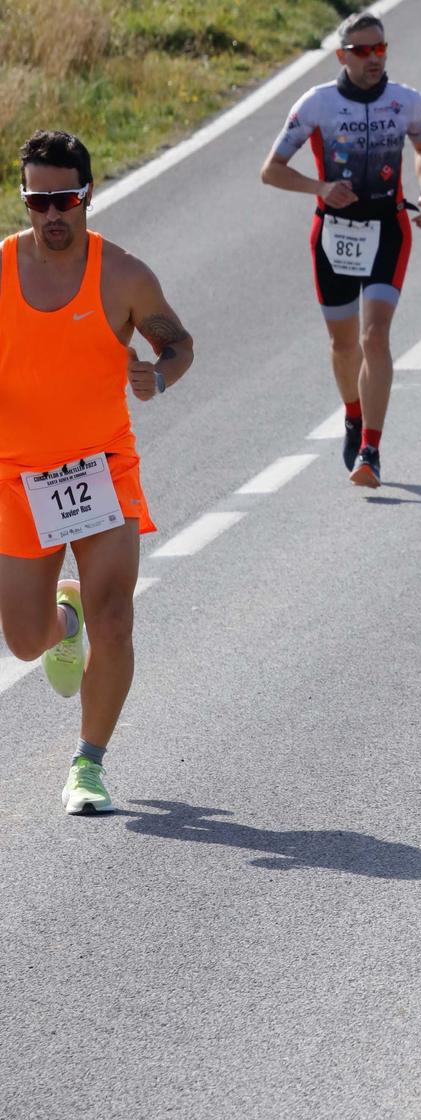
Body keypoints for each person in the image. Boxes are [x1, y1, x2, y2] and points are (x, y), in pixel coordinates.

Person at [0, 130, 194, 817]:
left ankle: (88, 764)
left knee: (117, 618)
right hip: (20, 479)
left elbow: (178, 343)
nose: (53, 214)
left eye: (66, 199)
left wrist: (159, 376)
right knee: (24, 640)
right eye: (38, 200)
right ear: (24, 200)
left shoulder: (124, 276)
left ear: (88, 195)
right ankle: (63, 617)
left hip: (101, 469)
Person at [261, 12, 421, 486]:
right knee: (342, 345)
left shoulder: (407, 102)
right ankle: (354, 414)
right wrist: (319, 187)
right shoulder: (317, 104)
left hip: (388, 229)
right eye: (362, 51)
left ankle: (370, 449)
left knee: (373, 337)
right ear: (342, 56)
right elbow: (271, 170)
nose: (373, 58)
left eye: (380, 48)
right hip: (334, 235)